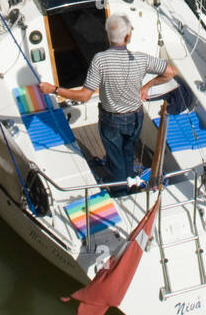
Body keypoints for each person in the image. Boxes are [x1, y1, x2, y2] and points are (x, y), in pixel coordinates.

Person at [40, 14, 178, 193]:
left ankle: (121, 190)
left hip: (112, 120)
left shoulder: (100, 60)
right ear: (127, 37)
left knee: (115, 157)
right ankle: (130, 179)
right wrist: (147, 86)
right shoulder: (141, 59)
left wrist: (54, 90)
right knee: (128, 150)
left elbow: (83, 97)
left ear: (108, 36)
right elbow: (171, 72)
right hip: (136, 116)